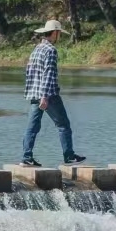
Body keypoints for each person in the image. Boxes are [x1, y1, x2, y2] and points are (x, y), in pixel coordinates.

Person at [22, 18, 85, 165]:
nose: (59, 36)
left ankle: (26, 158)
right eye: (59, 33)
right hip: (48, 94)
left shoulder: (36, 49)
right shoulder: (51, 50)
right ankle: (69, 156)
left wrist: (33, 92)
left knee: (32, 126)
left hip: (34, 94)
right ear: (55, 33)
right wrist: (45, 96)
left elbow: (29, 71)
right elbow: (48, 74)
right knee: (63, 125)